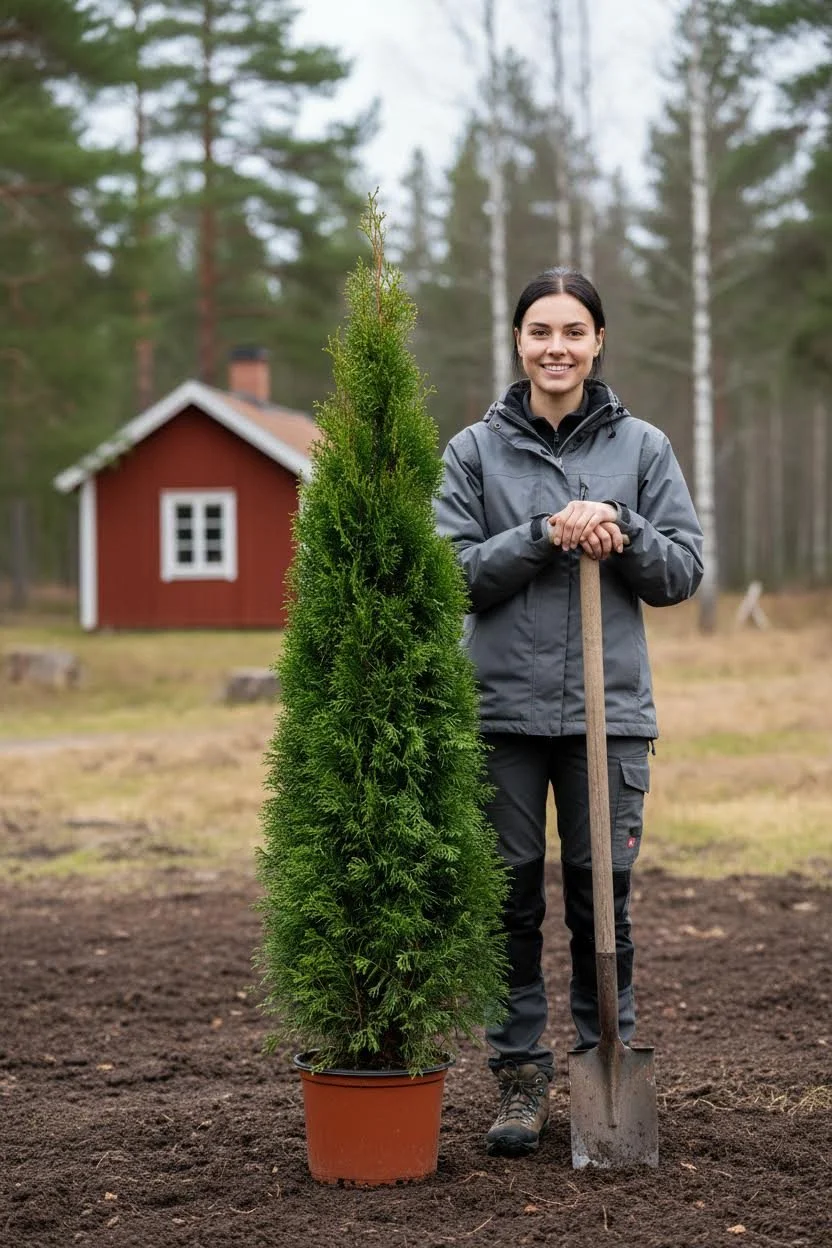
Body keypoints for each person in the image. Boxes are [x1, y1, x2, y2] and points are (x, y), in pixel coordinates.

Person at [435, 267, 704, 1157]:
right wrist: (545, 531)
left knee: (604, 900)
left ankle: (605, 1056)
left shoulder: (645, 448)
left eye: (574, 331)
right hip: (502, 716)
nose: (557, 346)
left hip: (608, 716)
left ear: (598, 343)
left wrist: (619, 522)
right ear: (518, 342)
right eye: (540, 330)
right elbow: (451, 572)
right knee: (507, 900)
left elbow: (680, 574)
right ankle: (519, 1077)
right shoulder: (475, 451)